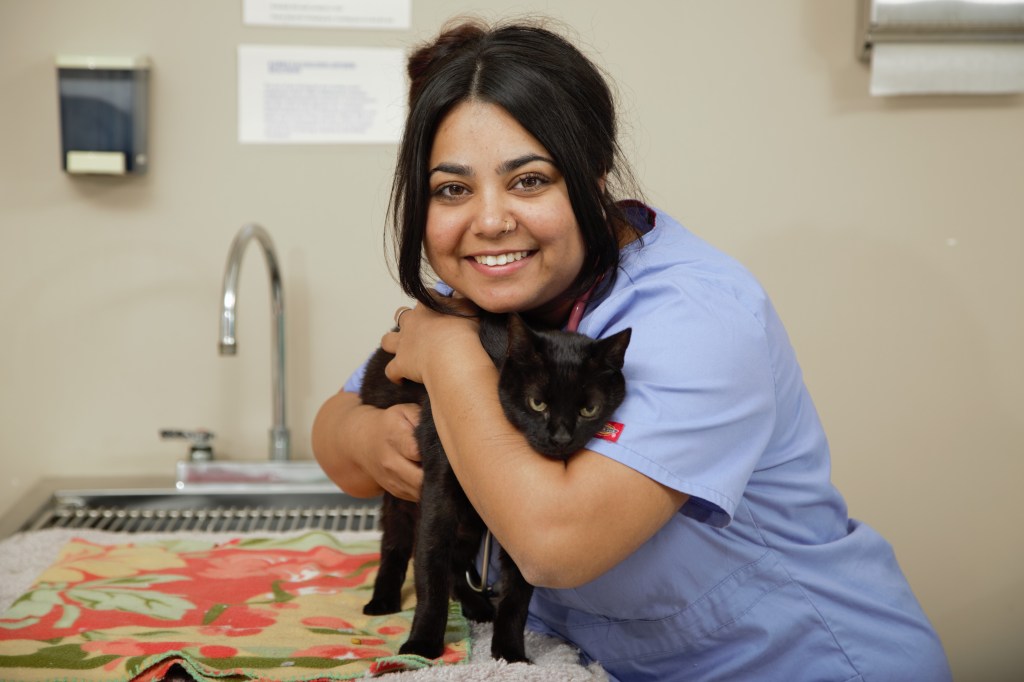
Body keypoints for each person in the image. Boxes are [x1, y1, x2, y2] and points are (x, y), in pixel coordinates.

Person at [312, 18, 952, 682]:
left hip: (799, 664)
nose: (491, 219)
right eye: (452, 189)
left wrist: (448, 356)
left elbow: (554, 546)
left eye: (529, 180)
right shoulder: (491, 290)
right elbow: (333, 435)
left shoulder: (698, 318)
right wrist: (370, 438)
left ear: (594, 173)